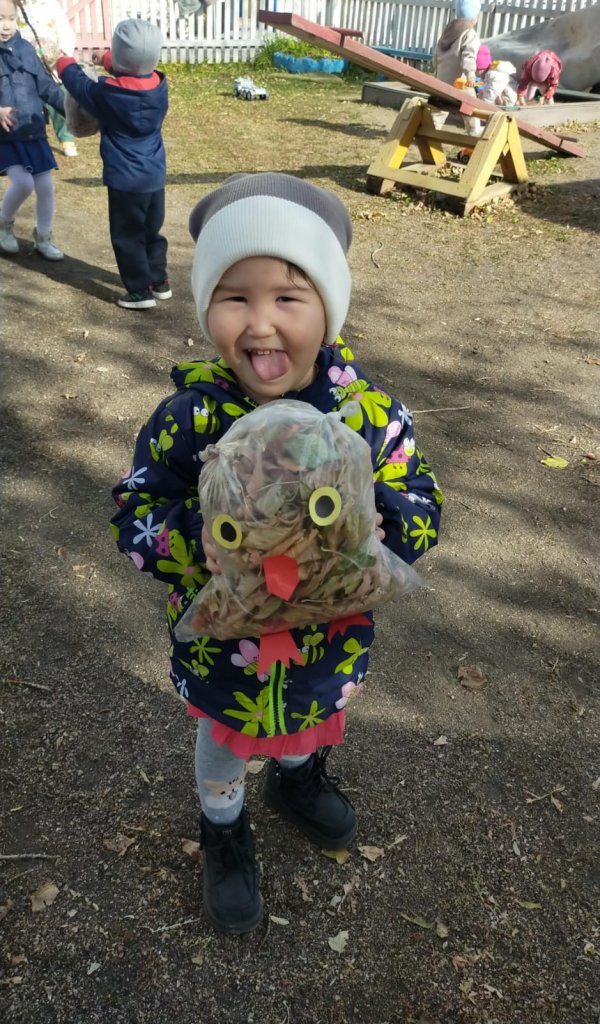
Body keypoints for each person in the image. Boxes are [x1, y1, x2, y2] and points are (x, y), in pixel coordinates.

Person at [110, 172, 443, 935]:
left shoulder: (366, 415)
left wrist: (389, 525)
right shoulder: (190, 419)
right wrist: (190, 540)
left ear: (329, 309)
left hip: (328, 644)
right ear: (207, 311)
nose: (261, 322)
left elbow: (422, 496)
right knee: (224, 744)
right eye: (235, 297)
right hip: (225, 656)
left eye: (289, 297)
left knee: (306, 723)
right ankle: (223, 828)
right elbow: (135, 509)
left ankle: (297, 778)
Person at [56, 18, 170, 310]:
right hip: (154, 177)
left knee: (127, 235)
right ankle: (159, 281)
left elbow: (79, 85)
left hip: (124, 180)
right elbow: (135, 72)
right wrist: (107, 59)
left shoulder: (108, 95)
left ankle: (139, 291)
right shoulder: (159, 86)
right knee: (151, 231)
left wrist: (64, 63)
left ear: (119, 57)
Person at [0, 0, 65, 258]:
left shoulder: (26, 49)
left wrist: (72, 110)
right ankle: (3, 225)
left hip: (33, 130)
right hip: (6, 136)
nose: (5, 26)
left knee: (46, 187)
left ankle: (44, 237)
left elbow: (47, 87)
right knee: (24, 183)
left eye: (10, 18)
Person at [16, 0, 79, 155]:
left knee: (59, 98)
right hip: (27, 64)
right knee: (32, 102)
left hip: (53, 63)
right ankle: (34, 137)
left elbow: (65, 32)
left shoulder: (51, 6)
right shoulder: (15, 8)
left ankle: (66, 138)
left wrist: (62, 52)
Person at [433, 0, 482, 136]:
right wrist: (470, 74)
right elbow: (469, 56)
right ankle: (473, 130)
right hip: (460, 81)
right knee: (470, 105)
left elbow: (436, 54)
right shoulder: (469, 34)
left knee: (440, 108)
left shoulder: (447, 31)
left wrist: (436, 72)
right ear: (475, 16)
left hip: (442, 79)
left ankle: (431, 129)